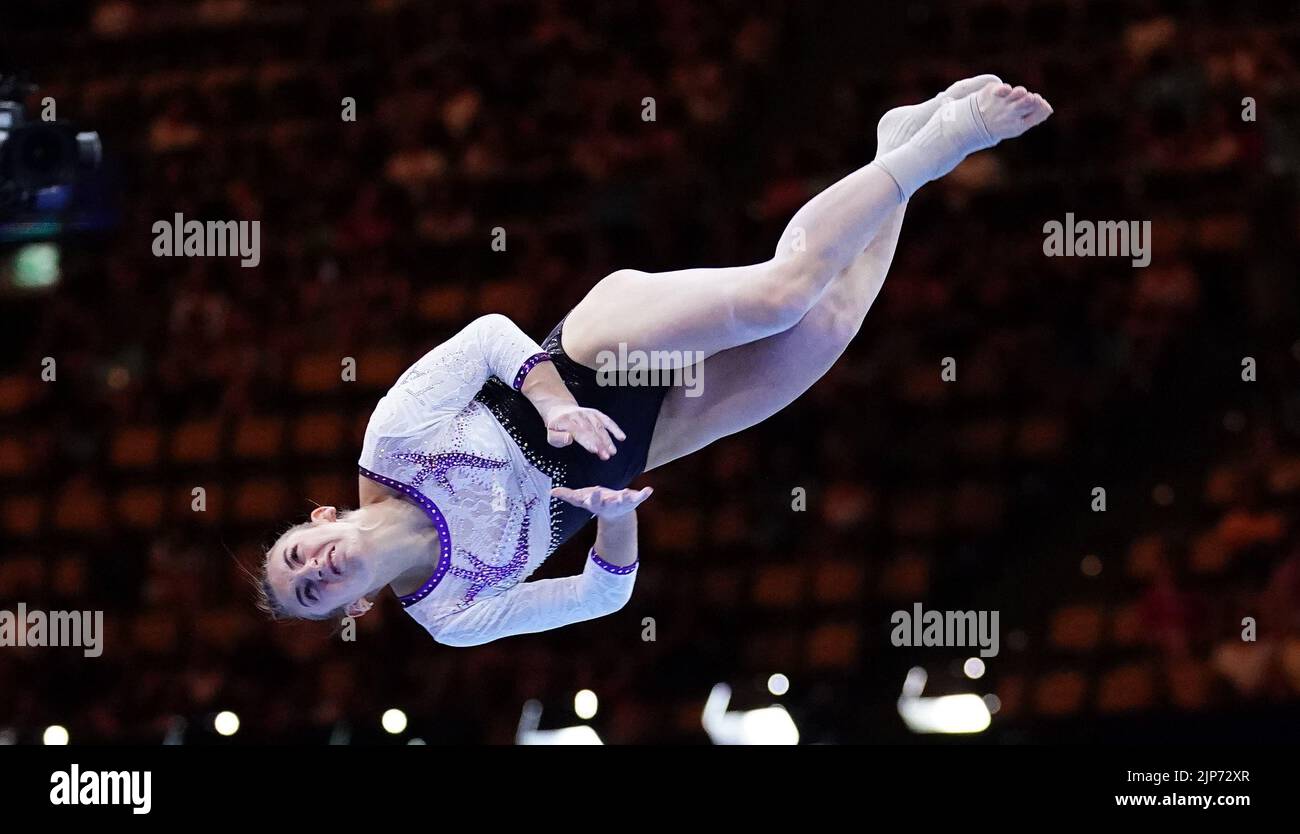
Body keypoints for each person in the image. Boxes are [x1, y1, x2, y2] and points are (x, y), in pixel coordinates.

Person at [257, 77, 1053, 646]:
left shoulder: (392, 444)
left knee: (783, 296)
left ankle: (947, 143)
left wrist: (554, 404)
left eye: (298, 555)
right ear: (352, 612)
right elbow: (605, 595)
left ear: (318, 519)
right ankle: (895, 147)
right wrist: (616, 521)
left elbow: (488, 336)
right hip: (656, 436)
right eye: (314, 593)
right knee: (831, 324)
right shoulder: (453, 613)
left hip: (592, 351)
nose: (316, 569)